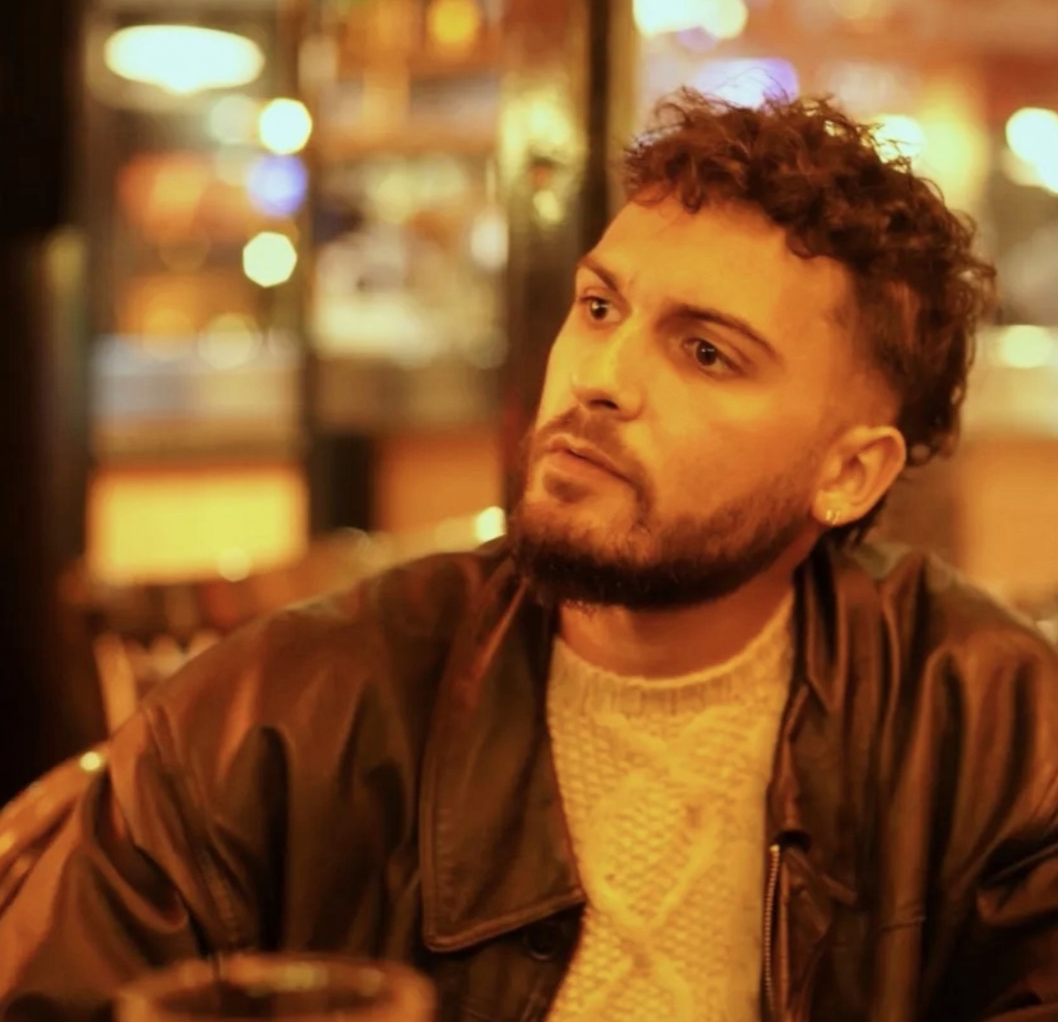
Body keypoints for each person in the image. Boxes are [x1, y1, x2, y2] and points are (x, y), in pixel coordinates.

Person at [2, 89, 1057, 1022]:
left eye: (705, 352)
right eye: (599, 307)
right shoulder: (266, 721)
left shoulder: (997, 730)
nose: (599, 377)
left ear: (850, 473)